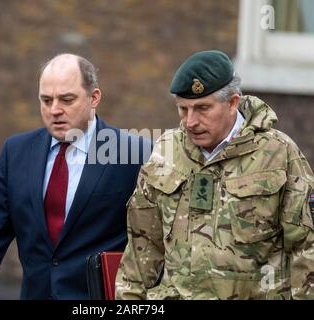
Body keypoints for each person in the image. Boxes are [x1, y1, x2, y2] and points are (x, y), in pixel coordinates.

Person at [0, 53, 151, 300]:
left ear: (94, 98)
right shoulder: (17, 152)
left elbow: (154, 240)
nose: (54, 110)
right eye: (46, 100)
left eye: (67, 99)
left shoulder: (134, 153)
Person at [116, 50, 314, 300]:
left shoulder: (278, 153)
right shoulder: (166, 151)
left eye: (202, 109)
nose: (190, 121)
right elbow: (141, 250)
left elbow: (306, 249)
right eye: (183, 109)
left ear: (232, 102)